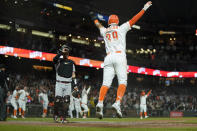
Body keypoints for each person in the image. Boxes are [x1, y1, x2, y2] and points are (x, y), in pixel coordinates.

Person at [90, 1, 152, 119]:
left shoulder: (104, 31)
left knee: (105, 83)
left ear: (109, 22)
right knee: (122, 82)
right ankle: (117, 103)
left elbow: (98, 25)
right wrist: (144, 8)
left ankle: (100, 103)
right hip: (119, 56)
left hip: (108, 57)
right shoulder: (121, 28)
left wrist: (94, 18)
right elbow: (134, 19)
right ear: (117, 21)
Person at [53, 44, 77, 123]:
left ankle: (63, 117)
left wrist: (75, 85)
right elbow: (54, 59)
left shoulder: (71, 63)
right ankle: (56, 114)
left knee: (67, 100)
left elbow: (73, 74)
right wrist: (60, 52)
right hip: (59, 83)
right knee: (57, 100)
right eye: (64, 50)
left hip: (68, 84)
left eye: (67, 51)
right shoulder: (58, 61)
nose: (65, 52)